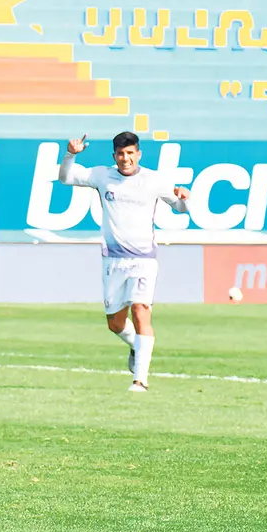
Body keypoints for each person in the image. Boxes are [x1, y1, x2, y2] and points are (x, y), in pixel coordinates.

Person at [58, 132, 190, 392]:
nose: (125, 158)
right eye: (121, 153)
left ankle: (140, 380)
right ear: (114, 156)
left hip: (144, 260)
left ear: (138, 154)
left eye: (130, 153)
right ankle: (135, 346)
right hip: (113, 261)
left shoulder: (153, 180)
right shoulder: (102, 176)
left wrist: (185, 198)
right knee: (115, 323)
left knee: (141, 311)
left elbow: (180, 208)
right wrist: (70, 154)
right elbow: (65, 178)